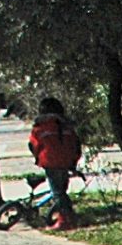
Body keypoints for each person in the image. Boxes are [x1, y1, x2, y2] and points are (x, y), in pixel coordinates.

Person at [28, 96, 83, 229]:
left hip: (50, 162)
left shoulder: (40, 128)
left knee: (58, 193)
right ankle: (70, 216)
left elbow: (33, 145)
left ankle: (64, 220)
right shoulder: (68, 127)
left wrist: (38, 157)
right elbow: (76, 145)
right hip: (66, 162)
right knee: (61, 190)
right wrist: (73, 162)